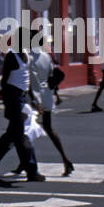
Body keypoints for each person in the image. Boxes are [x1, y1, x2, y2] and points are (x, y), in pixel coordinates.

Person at [0, 27, 45, 182]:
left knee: (12, 135)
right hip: (13, 99)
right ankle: (31, 170)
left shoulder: (26, 55)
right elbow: (6, 81)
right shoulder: (11, 56)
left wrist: (32, 100)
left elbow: (26, 80)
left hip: (22, 99)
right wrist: (8, 104)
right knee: (22, 136)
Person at [24, 43, 74, 175]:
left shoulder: (29, 57)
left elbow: (32, 81)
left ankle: (26, 162)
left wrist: (35, 101)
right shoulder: (46, 57)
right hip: (47, 95)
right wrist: (55, 95)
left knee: (25, 130)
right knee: (48, 128)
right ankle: (65, 160)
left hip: (35, 97)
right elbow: (52, 76)